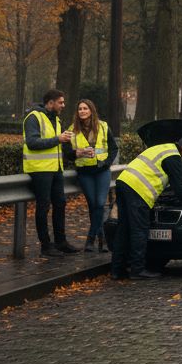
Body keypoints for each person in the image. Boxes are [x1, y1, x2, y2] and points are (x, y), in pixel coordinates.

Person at [111, 136, 182, 280]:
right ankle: (137, 270)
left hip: (123, 182)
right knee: (139, 230)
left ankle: (116, 270)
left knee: (123, 228)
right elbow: (178, 185)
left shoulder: (161, 147)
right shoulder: (174, 155)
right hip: (137, 189)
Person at [22, 88, 78, 257]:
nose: (63, 105)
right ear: (51, 102)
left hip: (55, 169)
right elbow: (32, 142)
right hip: (40, 169)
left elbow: (60, 146)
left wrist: (77, 153)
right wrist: (57, 139)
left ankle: (61, 242)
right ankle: (46, 246)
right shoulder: (33, 117)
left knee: (60, 203)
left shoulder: (56, 120)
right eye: (60, 102)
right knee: (44, 206)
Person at [65, 98, 118, 253]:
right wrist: (77, 153)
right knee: (93, 205)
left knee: (100, 204)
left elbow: (113, 149)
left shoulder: (103, 126)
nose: (82, 111)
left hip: (102, 171)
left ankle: (90, 239)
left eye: (85, 108)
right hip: (84, 172)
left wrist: (107, 163)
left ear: (91, 110)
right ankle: (102, 240)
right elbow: (66, 152)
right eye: (80, 109)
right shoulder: (71, 129)